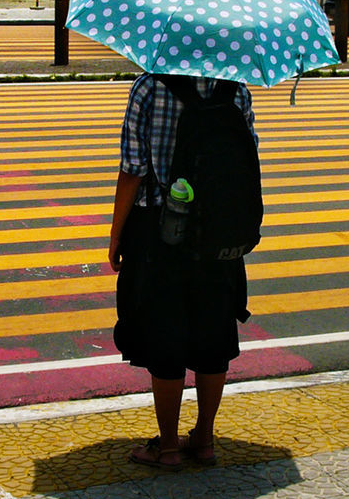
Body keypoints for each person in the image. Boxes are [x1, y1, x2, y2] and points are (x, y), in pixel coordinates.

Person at [108, 73, 256, 470]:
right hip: (217, 229)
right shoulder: (235, 90)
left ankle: (169, 446)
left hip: (160, 230)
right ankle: (204, 439)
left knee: (164, 333)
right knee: (214, 332)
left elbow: (133, 169)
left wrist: (116, 234)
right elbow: (248, 157)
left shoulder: (148, 87)